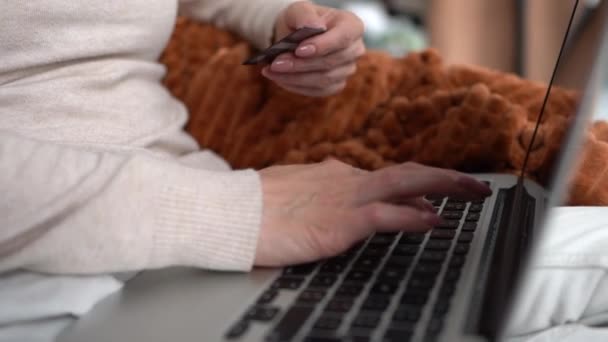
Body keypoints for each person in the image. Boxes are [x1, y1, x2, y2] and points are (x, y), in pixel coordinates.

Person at [0, 1, 492, 341]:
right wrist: (235, 213)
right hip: (47, 265)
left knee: (489, 265)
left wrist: (283, 20)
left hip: (200, 214)